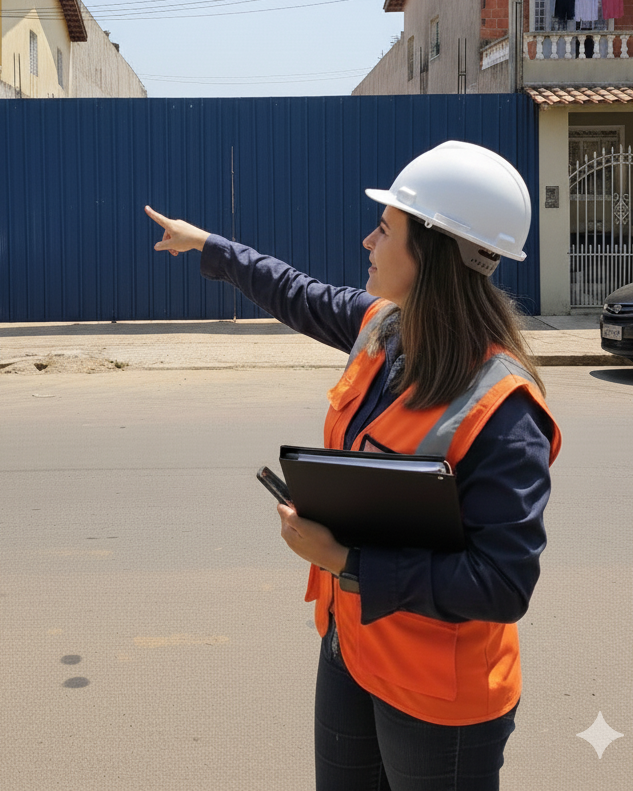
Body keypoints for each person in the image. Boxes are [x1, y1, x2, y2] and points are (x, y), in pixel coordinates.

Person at [145, 140, 562, 791]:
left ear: (431, 251)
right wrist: (208, 246)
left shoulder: (504, 412)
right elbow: (296, 292)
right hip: (352, 645)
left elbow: (503, 584)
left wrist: (347, 561)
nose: (368, 241)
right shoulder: (384, 327)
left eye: (386, 228)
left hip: (438, 697)